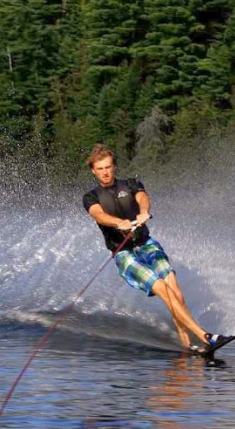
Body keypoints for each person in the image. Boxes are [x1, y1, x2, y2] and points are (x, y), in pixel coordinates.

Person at [82, 143, 227, 352]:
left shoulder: (130, 184)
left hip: (146, 244)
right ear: (93, 171)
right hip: (124, 254)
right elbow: (98, 214)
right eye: (100, 168)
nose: (105, 172)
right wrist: (118, 223)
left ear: (114, 167)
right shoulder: (91, 197)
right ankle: (206, 337)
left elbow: (142, 198)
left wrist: (143, 212)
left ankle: (188, 345)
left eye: (108, 167)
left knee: (176, 292)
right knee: (163, 289)